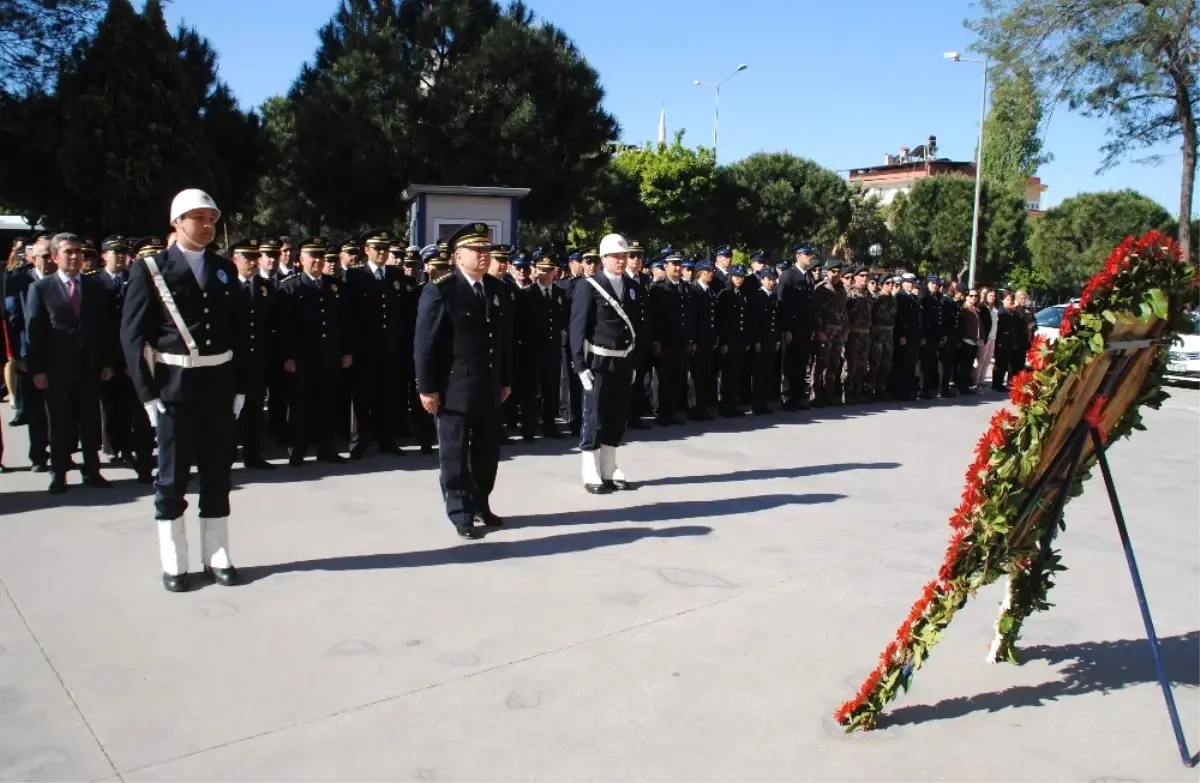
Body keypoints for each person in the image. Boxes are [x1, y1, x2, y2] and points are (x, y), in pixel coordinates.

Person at [120, 189, 245, 592]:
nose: (207, 226)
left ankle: (217, 553)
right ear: (177, 222)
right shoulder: (151, 268)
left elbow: (240, 332)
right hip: (174, 387)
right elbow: (131, 335)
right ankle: (175, 560)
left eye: (211, 219)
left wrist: (241, 385)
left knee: (216, 472)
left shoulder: (224, 269)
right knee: (171, 478)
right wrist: (147, 394)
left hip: (218, 384)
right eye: (199, 218)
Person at [414, 223, 513, 539]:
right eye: (477, 250)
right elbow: (425, 344)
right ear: (457, 257)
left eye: (486, 249)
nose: (484, 255)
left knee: (487, 452)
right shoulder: (440, 289)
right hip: (454, 388)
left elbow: (504, 341)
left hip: (488, 385)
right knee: (455, 454)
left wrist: (505, 379)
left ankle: (481, 502)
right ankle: (460, 512)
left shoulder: (497, 290)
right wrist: (426, 387)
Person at [25, 232, 115, 493]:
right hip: (56, 369)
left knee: (89, 421)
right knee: (59, 423)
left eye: (79, 252)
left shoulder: (96, 287)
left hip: (89, 367)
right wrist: (37, 369)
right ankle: (59, 472)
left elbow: (104, 328)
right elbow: (34, 331)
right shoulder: (41, 288)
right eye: (69, 252)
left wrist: (107, 362)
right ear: (55, 256)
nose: (76, 257)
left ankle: (92, 470)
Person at [569, 233, 642, 493]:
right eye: (616, 257)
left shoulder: (633, 287)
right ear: (603, 259)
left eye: (624, 256)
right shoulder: (588, 286)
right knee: (594, 416)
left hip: (623, 361)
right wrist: (579, 366)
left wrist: (633, 362)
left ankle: (610, 467)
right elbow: (577, 328)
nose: (621, 261)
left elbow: (636, 327)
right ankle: (590, 469)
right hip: (598, 361)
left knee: (617, 415)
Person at [276, 237, 353, 466]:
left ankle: (326, 448)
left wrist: (347, 351)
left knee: (327, 403)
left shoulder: (335, 286)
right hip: (302, 358)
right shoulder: (291, 287)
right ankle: (298, 450)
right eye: (313, 256)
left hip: (329, 356)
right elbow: (285, 327)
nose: (318, 261)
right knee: (301, 406)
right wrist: (287, 356)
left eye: (321, 256)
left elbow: (345, 322)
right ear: (301, 259)